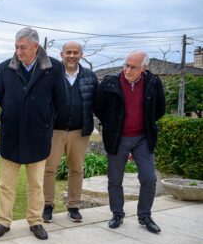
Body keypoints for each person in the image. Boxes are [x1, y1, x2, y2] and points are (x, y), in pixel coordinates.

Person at [0, 27, 66, 240]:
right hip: (11, 135)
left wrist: (43, 120)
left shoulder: (54, 68)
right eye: (16, 47)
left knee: (36, 184)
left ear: (35, 46)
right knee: (6, 184)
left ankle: (35, 222)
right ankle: (3, 222)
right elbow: (0, 97)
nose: (18, 51)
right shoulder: (5, 68)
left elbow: (60, 100)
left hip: (37, 136)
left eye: (22, 47)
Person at [94, 50, 165, 234]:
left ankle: (145, 216)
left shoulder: (153, 83)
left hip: (143, 138)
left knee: (149, 178)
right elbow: (99, 108)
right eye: (126, 65)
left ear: (144, 68)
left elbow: (160, 109)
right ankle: (117, 213)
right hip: (118, 138)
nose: (127, 69)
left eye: (133, 67)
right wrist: (113, 126)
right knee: (115, 179)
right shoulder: (110, 82)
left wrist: (145, 123)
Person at [42, 41, 98, 223]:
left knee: (76, 169)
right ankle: (47, 205)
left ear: (81, 55)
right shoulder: (51, 74)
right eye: (68, 52)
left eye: (75, 52)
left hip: (79, 131)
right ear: (61, 54)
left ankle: (74, 206)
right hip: (55, 131)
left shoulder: (90, 76)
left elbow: (97, 104)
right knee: (49, 169)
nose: (71, 56)